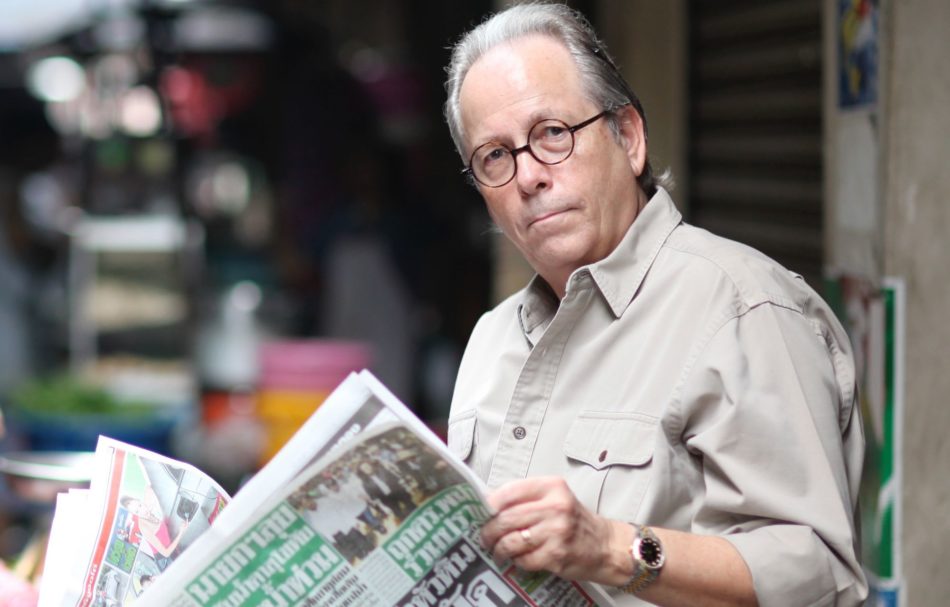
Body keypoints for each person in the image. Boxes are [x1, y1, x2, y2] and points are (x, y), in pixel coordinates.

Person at [444, 4, 866, 606]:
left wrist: (609, 549)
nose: (528, 176)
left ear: (629, 137)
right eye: (495, 156)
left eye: (552, 134)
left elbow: (819, 574)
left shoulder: (744, 308)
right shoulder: (491, 339)